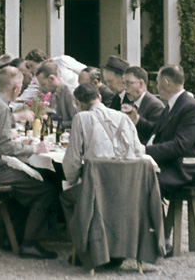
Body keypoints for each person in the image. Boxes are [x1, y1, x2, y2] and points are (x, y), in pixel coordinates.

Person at [0, 66, 58, 259]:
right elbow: (5, 147)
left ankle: (11, 236)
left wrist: (18, 142)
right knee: (45, 189)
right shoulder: (0, 107)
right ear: (16, 87)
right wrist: (35, 149)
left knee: (25, 185)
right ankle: (29, 243)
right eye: (21, 87)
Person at [60, 82, 152, 259]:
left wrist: (71, 181)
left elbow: (72, 161)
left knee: (66, 197)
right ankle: (122, 248)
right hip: (127, 187)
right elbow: (136, 151)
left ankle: (84, 249)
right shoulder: (123, 118)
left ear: (78, 103)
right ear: (99, 97)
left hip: (97, 189)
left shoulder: (82, 118)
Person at [127, 64, 195, 197]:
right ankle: (149, 218)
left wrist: (145, 150)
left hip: (185, 170)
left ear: (166, 82)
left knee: (138, 182)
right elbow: (157, 131)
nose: (157, 86)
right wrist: (137, 120)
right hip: (171, 165)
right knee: (130, 176)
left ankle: (154, 218)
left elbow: (180, 145)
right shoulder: (174, 104)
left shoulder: (191, 108)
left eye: (158, 82)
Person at [120, 66, 165, 140]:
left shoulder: (155, 106)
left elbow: (155, 134)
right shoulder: (128, 102)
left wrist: (137, 119)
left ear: (141, 84)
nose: (125, 88)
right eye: (123, 83)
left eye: (128, 83)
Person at [34, 60, 76, 129]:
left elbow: (76, 121)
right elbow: (54, 116)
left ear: (51, 78)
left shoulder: (69, 92)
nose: (42, 88)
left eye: (43, 84)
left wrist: (54, 123)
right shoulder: (52, 92)